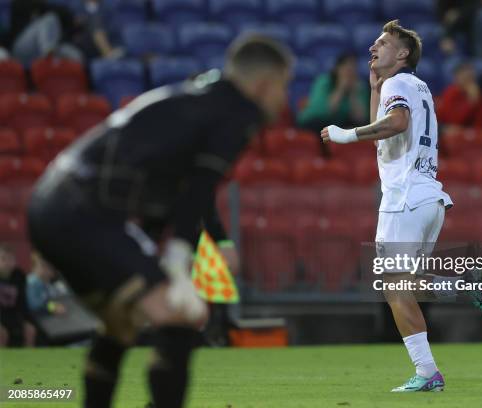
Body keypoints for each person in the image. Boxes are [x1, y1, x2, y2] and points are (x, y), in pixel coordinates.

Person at [28, 35, 292, 408]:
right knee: (183, 314)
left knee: (121, 325)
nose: (284, 98)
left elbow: (161, 192)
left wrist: (160, 255)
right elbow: (197, 192)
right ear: (263, 84)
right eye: (283, 85)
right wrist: (177, 265)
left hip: (51, 204)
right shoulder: (237, 112)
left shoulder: (197, 99)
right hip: (83, 212)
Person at [320, 20, 482, 393]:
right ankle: (467, 286)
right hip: (428, 197)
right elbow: (384, 137)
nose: (373, 48)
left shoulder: (398, 84)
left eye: (382, 43)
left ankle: (428, 372)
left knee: (394, 286)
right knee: (404, 284)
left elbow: (396, 123)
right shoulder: (415, 86)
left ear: (402, 53)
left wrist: (347, 134)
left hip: (403, 198)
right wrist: (373, 90)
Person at [297, 53, 369, 132]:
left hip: (337, 124)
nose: (349, 72)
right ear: (337, 69)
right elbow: (328, 110)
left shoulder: (359, 87)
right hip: (315, 121)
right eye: (346, 68)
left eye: (353, 68)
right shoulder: (324, 81)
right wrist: (341, 88)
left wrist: (353, 93)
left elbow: (359, 118)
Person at [0, 244, 36, 347]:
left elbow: (22, 302)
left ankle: (30, 360)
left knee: (30, 331)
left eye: (11, 259)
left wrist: (28, 321)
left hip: (12, 315)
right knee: (1, 334)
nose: (7, 263)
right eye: (3, 259)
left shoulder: (19, 276)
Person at [437, 62, 482, 130]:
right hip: (449, 129)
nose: (467, 80)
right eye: (464, 77)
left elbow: (480, 122)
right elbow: (452, 121)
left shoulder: (476, 93)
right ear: (456, 77)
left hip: (470, 132)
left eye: (470, 77)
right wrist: (470, 103)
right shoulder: (451, 92)